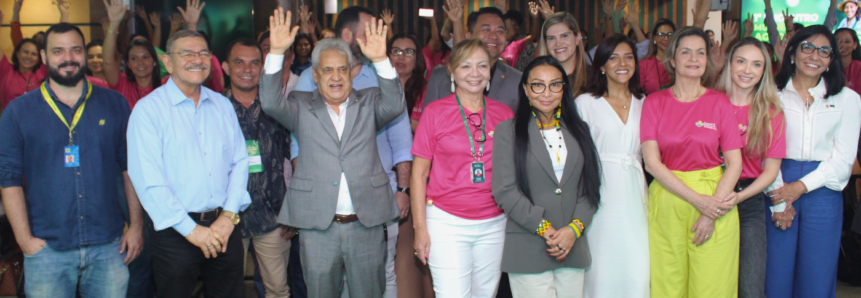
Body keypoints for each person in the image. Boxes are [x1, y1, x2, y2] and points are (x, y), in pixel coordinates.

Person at [260, 9, 404, 298]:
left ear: (351, 72)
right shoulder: (300, 105)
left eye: (342, 69)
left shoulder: (370, 102)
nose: (336, 76)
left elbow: (396, 104)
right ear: (314, 75)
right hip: (318, 228)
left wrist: (381, 60)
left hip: (366, 225)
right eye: (327, 70)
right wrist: (276, 52)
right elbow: (270, 102)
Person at [0, 22, 143, 297]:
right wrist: (26, 241)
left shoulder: (115, 104)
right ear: (44, 57)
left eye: (76, 50)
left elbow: (130, 170)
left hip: (109, 246)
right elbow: (9, 179)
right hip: (47, 249)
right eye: (58, 51)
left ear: (85, 55)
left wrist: (136, 226)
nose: (68, 58)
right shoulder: (18, 112)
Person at [127, 28, 252, 298]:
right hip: (175, 233)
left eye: (203, 53)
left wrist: (228, 218)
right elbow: (149, 181)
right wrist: (192, 231)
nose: (197, 59)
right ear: (168, 62)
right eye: (187, 53)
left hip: (224, 229)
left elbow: (240, 162)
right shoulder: (148, 111)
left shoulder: (221, 105)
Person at [641, 26, 744, 298]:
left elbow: (735, 164)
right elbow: (651, 163)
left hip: (716, 197)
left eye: (701, 52)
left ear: (708, 60)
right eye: (685, 52)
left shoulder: (720, 103)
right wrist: (698, 201)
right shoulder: (654, 102)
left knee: (713, 286)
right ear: (672, 59)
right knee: (668, 284)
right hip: (668, 197)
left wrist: (710, 210)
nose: (694, 58)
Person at [491, 55, 602, 298]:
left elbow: (590, 188)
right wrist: (547, 231)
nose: (546, 92)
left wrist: (573, 230)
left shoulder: (579, 129)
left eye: (555, 84)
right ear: (525, 89)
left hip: (572, 245)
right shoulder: (508, 132)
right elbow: (505, 192)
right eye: (538, 84)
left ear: (564, 89)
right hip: (529, 244)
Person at [411, 38, 513, 298]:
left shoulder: (504, 114)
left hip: (494, 222)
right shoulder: (434, 113)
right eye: (466, 66)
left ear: (491, 70)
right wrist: (420, 229)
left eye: (482, 65)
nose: (475, 73)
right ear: (453, 71)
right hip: (446, 222)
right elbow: (419, 174)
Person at [765, 25, 861, 298]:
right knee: (775, 272)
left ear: (831, 60)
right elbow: (759, 149)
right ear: (792, 53)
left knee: (817, 273)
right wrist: (782, 196)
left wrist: (800, 187)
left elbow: (843, 161)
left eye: (824, 50)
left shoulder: (847, 99)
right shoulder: (771, 93)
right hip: (775, 182)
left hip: (823, 190)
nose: (815, 55)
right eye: (807, 47)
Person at [575, 34, 650, 298]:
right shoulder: (585, 103)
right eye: (613, 57)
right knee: (601, 269)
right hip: (599, 195)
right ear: (602, 65)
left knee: (638, 268)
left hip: (635, 193)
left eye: (629, 56)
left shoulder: (647, 103)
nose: (622, 63)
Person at [221, 38, 294, 298]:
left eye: (254, 63)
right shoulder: (214, 109)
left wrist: (293, 210)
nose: (247, 69)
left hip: (274, 217)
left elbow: (296, 159)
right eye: (238, 63)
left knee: (278, 290)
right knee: (226, 291)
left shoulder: (277, 108)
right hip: (226, 219)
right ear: (226, 68)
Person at [714, 37, 787, 298]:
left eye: (756, 64)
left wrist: (739, 197)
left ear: (764, 71)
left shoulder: (771, 112)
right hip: (708, 196)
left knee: (750, 285)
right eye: (741, 62)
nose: (747, 70)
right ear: (729, 64)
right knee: (712, 282)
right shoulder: (709, 102)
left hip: (748, 201)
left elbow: (770, 171)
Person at [423, 6, 522, 113]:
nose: (494, 36)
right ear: (469, 36)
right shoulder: (440, 77)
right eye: (486, 29)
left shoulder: (517, 79)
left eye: (500, 31)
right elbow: (427, 124)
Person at [102, 1, 162, 109]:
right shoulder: (122, 83)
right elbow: (107, 62)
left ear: (154, 61)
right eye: (134, 58)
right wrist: (114, 23)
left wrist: (192, 24)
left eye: (146, 57)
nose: (140, 62)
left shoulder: (166, 85)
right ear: (128, 64)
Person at [0, 9, 47, 112]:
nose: (29, 56)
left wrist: (64, 15)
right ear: (17, 53)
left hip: (39, 124)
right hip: (10, 125)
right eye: (25, 52)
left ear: (40, 58)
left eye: (34, 54)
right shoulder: (7, 71)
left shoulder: (42, 71)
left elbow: (58, 44)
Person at [538, 12, 589, 97]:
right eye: (551, 38)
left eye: (564, 36)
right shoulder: (537, 80)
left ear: (577, 38)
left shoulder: (595, 79)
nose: (558, 44)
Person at [387, 33, 428, 132]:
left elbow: (432, 129)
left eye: (408, 52)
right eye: (396, 51)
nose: (401, 57)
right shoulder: (378, 87)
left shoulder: (427, 91)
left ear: (416, 61)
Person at [639, 19, 675, 95]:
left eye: (670, 34)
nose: (666, 39)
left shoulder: (680, 62)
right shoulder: (644, 64)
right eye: (661, 35)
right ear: (654, 38)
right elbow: (637, 94)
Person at [835, 28, 861, 94]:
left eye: (847, 42)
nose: (842, 45)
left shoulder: (859, 67)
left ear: (855, 44)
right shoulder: (826, 66)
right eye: (839, 42)